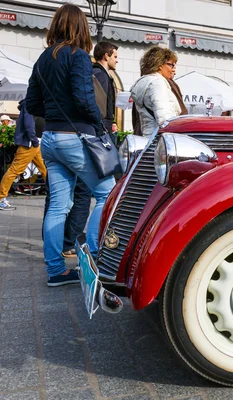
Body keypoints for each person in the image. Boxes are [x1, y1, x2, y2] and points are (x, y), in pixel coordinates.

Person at [26, 3, 116, 287]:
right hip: (74, 137)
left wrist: (54, 114)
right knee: (107, 194)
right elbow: (83, 98)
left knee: (58, 207)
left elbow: (31, 103)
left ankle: (56, 271)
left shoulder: (42, 59)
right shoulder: (78, 56)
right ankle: (93, 260)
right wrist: (99, 125)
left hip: (50, 139)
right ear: (81, 27)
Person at [0, 100, 47, 211]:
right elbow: (29, 124)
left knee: (44, 169)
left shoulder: (32, 104)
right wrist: (34, 141)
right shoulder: (29, 104)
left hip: (33, 144)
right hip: (29, 145)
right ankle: (1, 198)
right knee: (14, 170)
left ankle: (56, 195)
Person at [131, 46, 182, 137]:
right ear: (160, 65)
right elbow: (165, 119)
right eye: (171, 65)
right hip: (160, 140)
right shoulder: (157, 84)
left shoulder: (148, 83)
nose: (173, 69)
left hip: (149, 136)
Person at [92, 41, 118, 135]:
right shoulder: (100, 74)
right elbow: (100, 104)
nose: (117, 60)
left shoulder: (100, 73)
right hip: (101, 127)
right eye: (115, 57)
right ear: (106, 56)